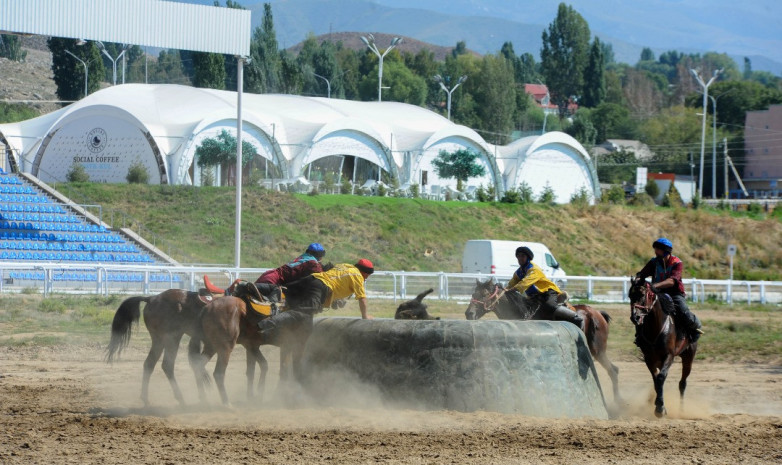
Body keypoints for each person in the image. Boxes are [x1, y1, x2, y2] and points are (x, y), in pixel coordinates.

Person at [257, 259, 375, 337]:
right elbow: (362, 299)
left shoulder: (345, 266)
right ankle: (268, 323)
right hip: (321, 286)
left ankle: (251, 286)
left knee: (283, 290)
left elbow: (336, 280)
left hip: (311, 278)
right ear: (365, 273)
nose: (366, 278)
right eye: (367, 276)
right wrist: (365, 316)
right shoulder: (358, 276)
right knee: (304, 312)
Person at [635, 237, 703, 342]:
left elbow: (672, 281)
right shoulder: (654, 262)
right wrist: (638, 279)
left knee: (683, 311)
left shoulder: (677, 263)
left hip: (675, 293)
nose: (655, 252)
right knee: (641, 311)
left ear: (666, 250)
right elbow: (642, 273)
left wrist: (655, 286)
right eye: (655, 249)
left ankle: (695, 328)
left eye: (658, 249)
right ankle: (640, 336)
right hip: (657, 293)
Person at [503, 246, 584, 329]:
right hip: (534, 297)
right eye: (518, 256)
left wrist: (512, 289)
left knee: (549, 306)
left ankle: (576, 317)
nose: (520, 258)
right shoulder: (518, 272)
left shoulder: (534, 269)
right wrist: (504, 289)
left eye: (522, 256)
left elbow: (525, 282)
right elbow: (511, 283)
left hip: (547, 292)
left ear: (528, 257)